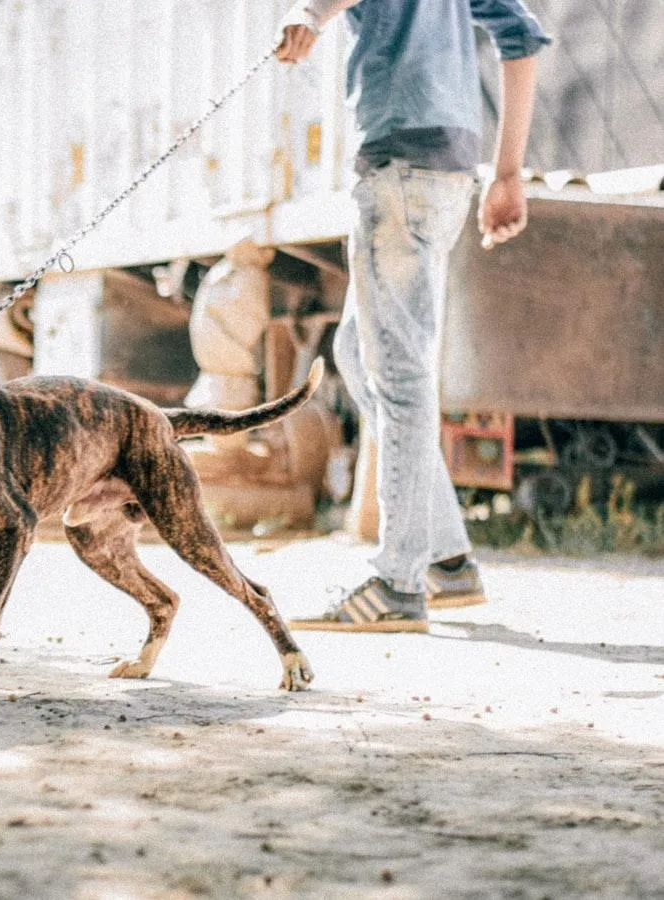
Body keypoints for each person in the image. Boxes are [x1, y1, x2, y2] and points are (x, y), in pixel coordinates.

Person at [276, 0, 550, 632]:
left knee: (397, 372)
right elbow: (522, 38)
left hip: (400, 163)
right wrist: (506, 172)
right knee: (355, 352)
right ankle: (446, 561)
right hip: (446, 166)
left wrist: (311, 14)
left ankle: (397, 583)